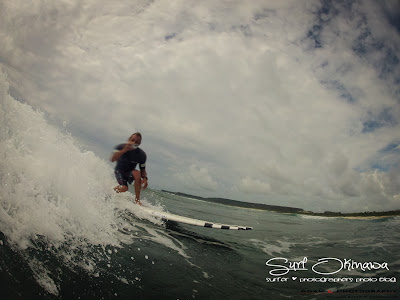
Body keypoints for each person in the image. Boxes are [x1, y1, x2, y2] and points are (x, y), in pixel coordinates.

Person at [110, 132, 148, 205]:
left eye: (137, 142)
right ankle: (112, 192)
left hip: (129, 173)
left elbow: (142, 169)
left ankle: (137, 200)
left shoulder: (142, 155)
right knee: (124, 188)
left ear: (139, 143)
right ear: (128, 140)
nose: (134, 143)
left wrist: (145, 178)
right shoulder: (120, 147)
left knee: (137, 173)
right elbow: (112, 159)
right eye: (132, 140)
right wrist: (124, 150)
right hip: (119, 171)